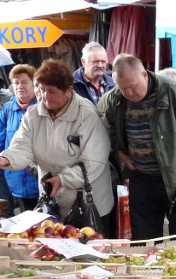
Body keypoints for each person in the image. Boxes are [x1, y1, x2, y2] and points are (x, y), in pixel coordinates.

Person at [0, 59, 114, 232]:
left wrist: (62, 179)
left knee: (89, 252)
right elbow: (22, 147)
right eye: (41, 89)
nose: (44, 96)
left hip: (89, 204)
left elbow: (94, 163)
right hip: (52, 202)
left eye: (51, 91)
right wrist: (5, 159)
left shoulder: (87, 115)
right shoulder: (33, 114)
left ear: (68, 90)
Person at [98, 54, 176, 240]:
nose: (129, 93)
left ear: (145, 75)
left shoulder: (175, 92)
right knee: (144, 240)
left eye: (133, 86)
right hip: (141, 179)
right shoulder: (114, 99)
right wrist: (120, 153)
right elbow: (106, 129)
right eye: (123, 88)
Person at [0, 64, 40, 215]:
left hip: (39, 183)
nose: (19, 86)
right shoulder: (8, 109)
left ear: (33, 83)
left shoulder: (43, 108)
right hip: (13, 182)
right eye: (16, 83)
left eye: (24, 82)